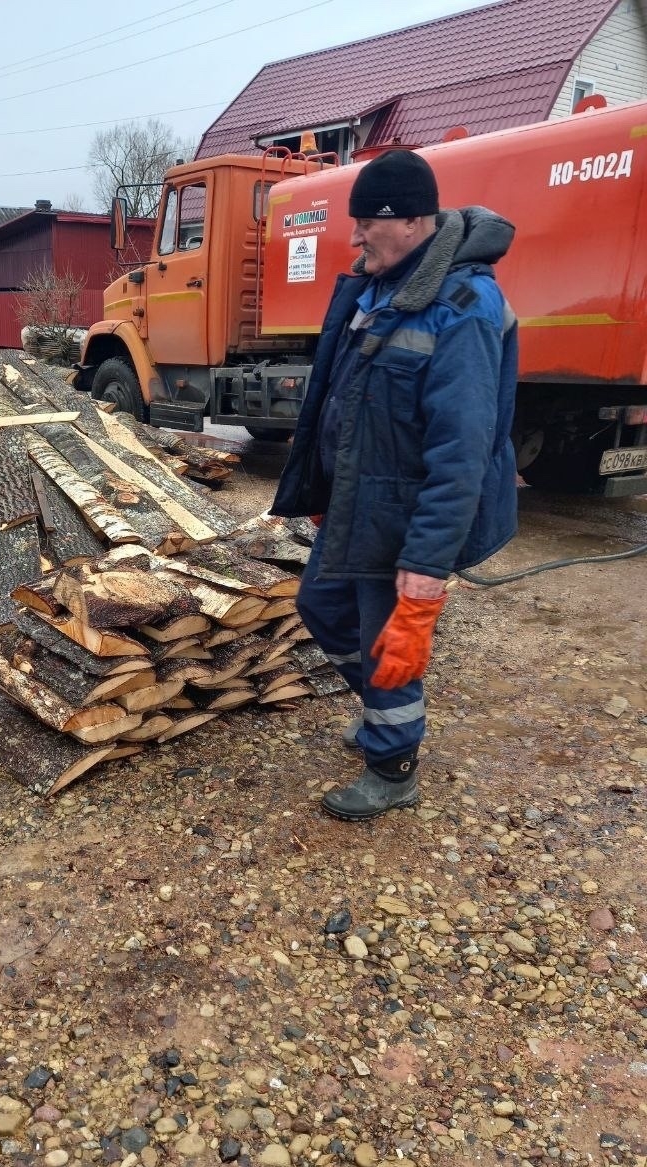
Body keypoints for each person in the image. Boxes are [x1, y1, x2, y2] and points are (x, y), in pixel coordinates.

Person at [271, 149, 518, 820]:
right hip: (358, 500)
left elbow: (462, 450)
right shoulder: (379, 287)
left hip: (405, 517)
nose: (353, 239)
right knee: (320, 607)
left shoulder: (462, 309)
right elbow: (343, 399)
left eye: (365, 226)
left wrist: (426, 565)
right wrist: (321, 490)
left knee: (390, 641)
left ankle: (394, 764)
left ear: (410, 221)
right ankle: (384, 708)